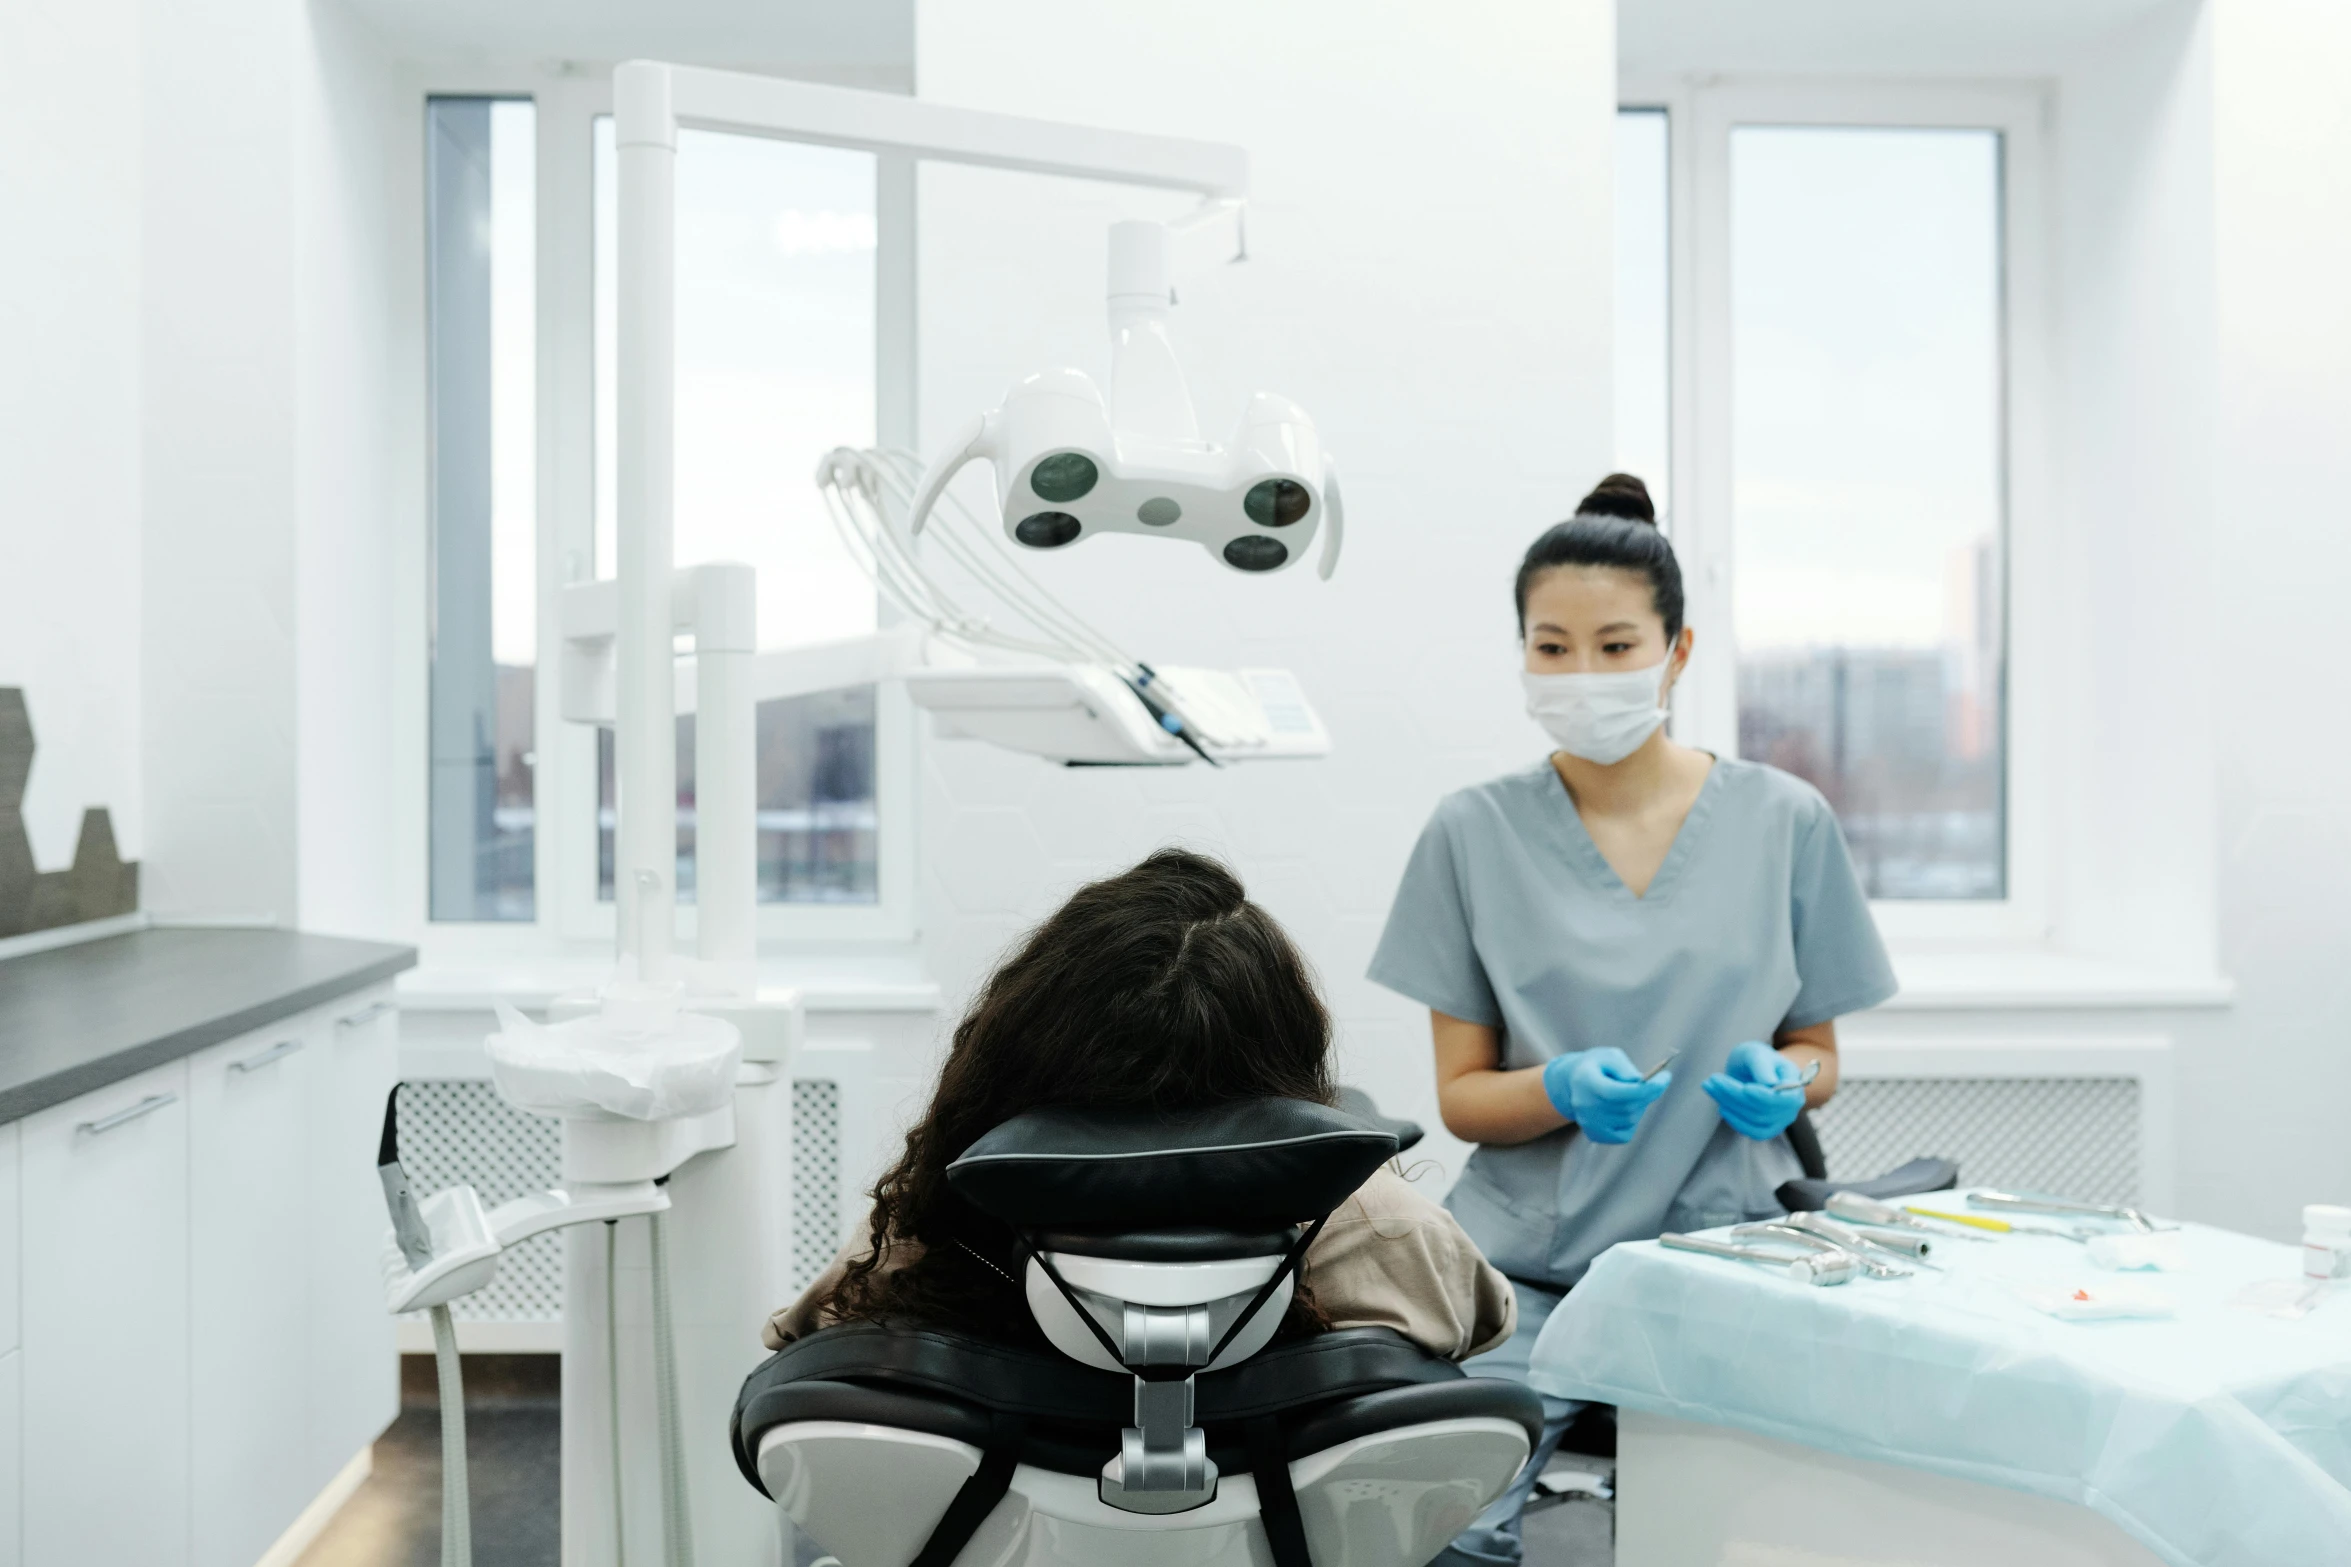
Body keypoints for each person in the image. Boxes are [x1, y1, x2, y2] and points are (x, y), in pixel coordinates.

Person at [1369, 473, 1898, 1566]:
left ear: (1677, 651)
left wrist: (1784, 1076)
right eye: (1550, 647)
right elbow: (1461, 1097)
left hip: (1728, 1256)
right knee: (1440, 1526)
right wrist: (1554, 1087)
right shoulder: (1469, 833)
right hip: (1529, 1268)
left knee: (1763, 1527)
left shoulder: (1782, 820)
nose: (1581, 673)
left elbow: (1821, 1056)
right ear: (1520, 653)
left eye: (1614, 646)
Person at [765, 847, 1517, 1366]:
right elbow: (1484, 1325)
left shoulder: (934, 1224)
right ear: (1284, 1052)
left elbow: (803, 1353)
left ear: (1015, 1047)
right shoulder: (1382, 1228)